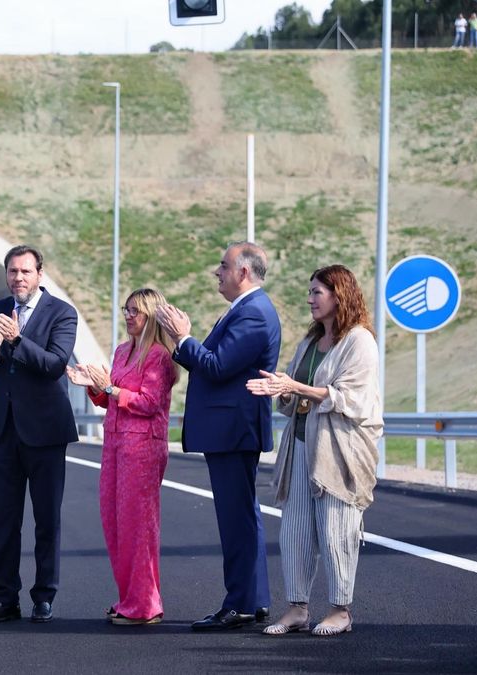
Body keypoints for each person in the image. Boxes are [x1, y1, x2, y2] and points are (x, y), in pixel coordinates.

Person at [247, 265, 381, 637]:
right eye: (309, 292)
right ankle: (297, 608)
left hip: (339, 452)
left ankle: (341, 609)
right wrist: (282, 389)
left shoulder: (359, 342)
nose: (309, 299)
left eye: (316, 292)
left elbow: (351, 398)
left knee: (337, 529)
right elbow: (293, 393)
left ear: (339, 295)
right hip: (302, 446)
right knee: (295, 530)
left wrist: (298, 388)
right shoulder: (309, 343)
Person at [156, 241, 281, 631]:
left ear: (244, 272)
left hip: (233, 431)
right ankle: (253, 598)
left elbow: (216, 365)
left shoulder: (254, 314)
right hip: (231, 430)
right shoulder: (245, 311)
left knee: (236, 520)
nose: (217, 272)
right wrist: (184, 343)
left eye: (224, 266)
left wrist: (183, 339)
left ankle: (241, 603)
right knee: (243, 518)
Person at [0, 244, 78, 624]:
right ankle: (4, 598)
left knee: (46, 519)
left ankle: (44, 595)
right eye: (13, 272)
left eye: (25, 272)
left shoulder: (62, 313)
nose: (18, 278)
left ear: (39, 274)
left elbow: (53, 365)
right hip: (3, 430)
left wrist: (16, 339)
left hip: (46, 431)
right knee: (3, 521)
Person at [66, 288, 177, 626]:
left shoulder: (159, 356)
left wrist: (111, 388)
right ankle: (130, 598)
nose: (128, 316)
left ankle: (144, 605)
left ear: (151, 316)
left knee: (137, 527)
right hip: (115, 446)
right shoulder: (121, 351)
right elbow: (110, 399)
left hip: (142, 448)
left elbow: (149, 402)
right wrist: (94, 386)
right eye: (126, 310)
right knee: (114, 524)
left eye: (135, 311)